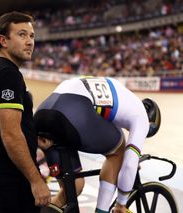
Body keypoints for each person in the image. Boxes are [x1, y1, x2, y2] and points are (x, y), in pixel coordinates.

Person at [34, 76, 161, 213]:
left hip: (43, 113)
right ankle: (101, 211)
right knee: (118, 150)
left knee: (73, 187)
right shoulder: (141, 116)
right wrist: (121, 203)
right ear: (150, 125)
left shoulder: (121, 100)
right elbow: (130, 164)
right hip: (72, 111)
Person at [0, 11, 51, 213]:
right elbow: (10, 133)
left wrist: (33, 136)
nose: (29, 42)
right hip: (8, 176)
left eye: (32, 36)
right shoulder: (8, 74)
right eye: (22, 35)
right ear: (3, 40)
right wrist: (36, 179)